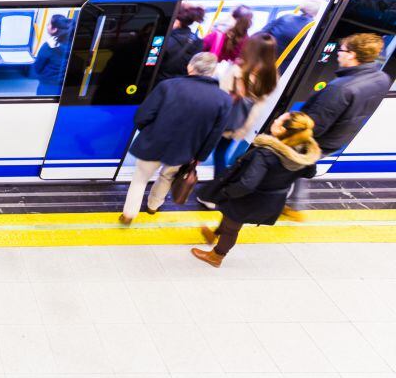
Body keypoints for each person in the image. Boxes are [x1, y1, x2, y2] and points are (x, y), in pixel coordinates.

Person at [284, 33, 393, 217]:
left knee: (288, 166)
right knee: (303, 166)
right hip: (341, 136)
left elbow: (315, 125)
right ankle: (295, 203)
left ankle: (278, 202)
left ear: (352, 55)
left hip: (320, 139)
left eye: (341, 50)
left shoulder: (340, 87)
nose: (337, 53)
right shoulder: (382, 78)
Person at [191, 112, 321, 267]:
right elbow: (310, 173)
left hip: (247, 199)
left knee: (232, 227)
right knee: (229, 217)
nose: (274, 120)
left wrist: (226, 192)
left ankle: (217, 256)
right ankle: (215, 234)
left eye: (278, 121)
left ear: (282, 131)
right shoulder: (304, 154)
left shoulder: (265, 154)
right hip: (272, 200)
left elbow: (247, 184)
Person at [120, 52, 232, 225]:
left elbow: (142, 116)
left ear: (190, 66)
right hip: (185, 150)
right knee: (167, 177)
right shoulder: (223, 100)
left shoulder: (168, 86)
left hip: (153, 142)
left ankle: (129, 214)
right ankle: (153, 206)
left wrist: (150, 131)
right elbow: (215, 134)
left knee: (140, 178)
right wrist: (200, 157)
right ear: (213, 72)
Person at [212, 33, 280, 177]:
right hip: (242, 122)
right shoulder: (272, 74)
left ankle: (215, 187)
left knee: (210, 152)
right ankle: (220, 187)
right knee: (221, 151)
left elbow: (221, 95)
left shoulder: (238, 71)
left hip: (223, 119)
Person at [155, 3, 206, 83]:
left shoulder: (161, 40)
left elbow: (150, 65)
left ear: (176, 20)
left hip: (160, 84)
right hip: (182, 85)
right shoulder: (198, 42)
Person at [32, 14, 72, 95]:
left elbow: (38, 67)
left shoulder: (48, 46)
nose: (47, 25)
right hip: (65, 87)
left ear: (54, 29)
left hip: (47, 85)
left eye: (49, 24)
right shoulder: (71, 43)